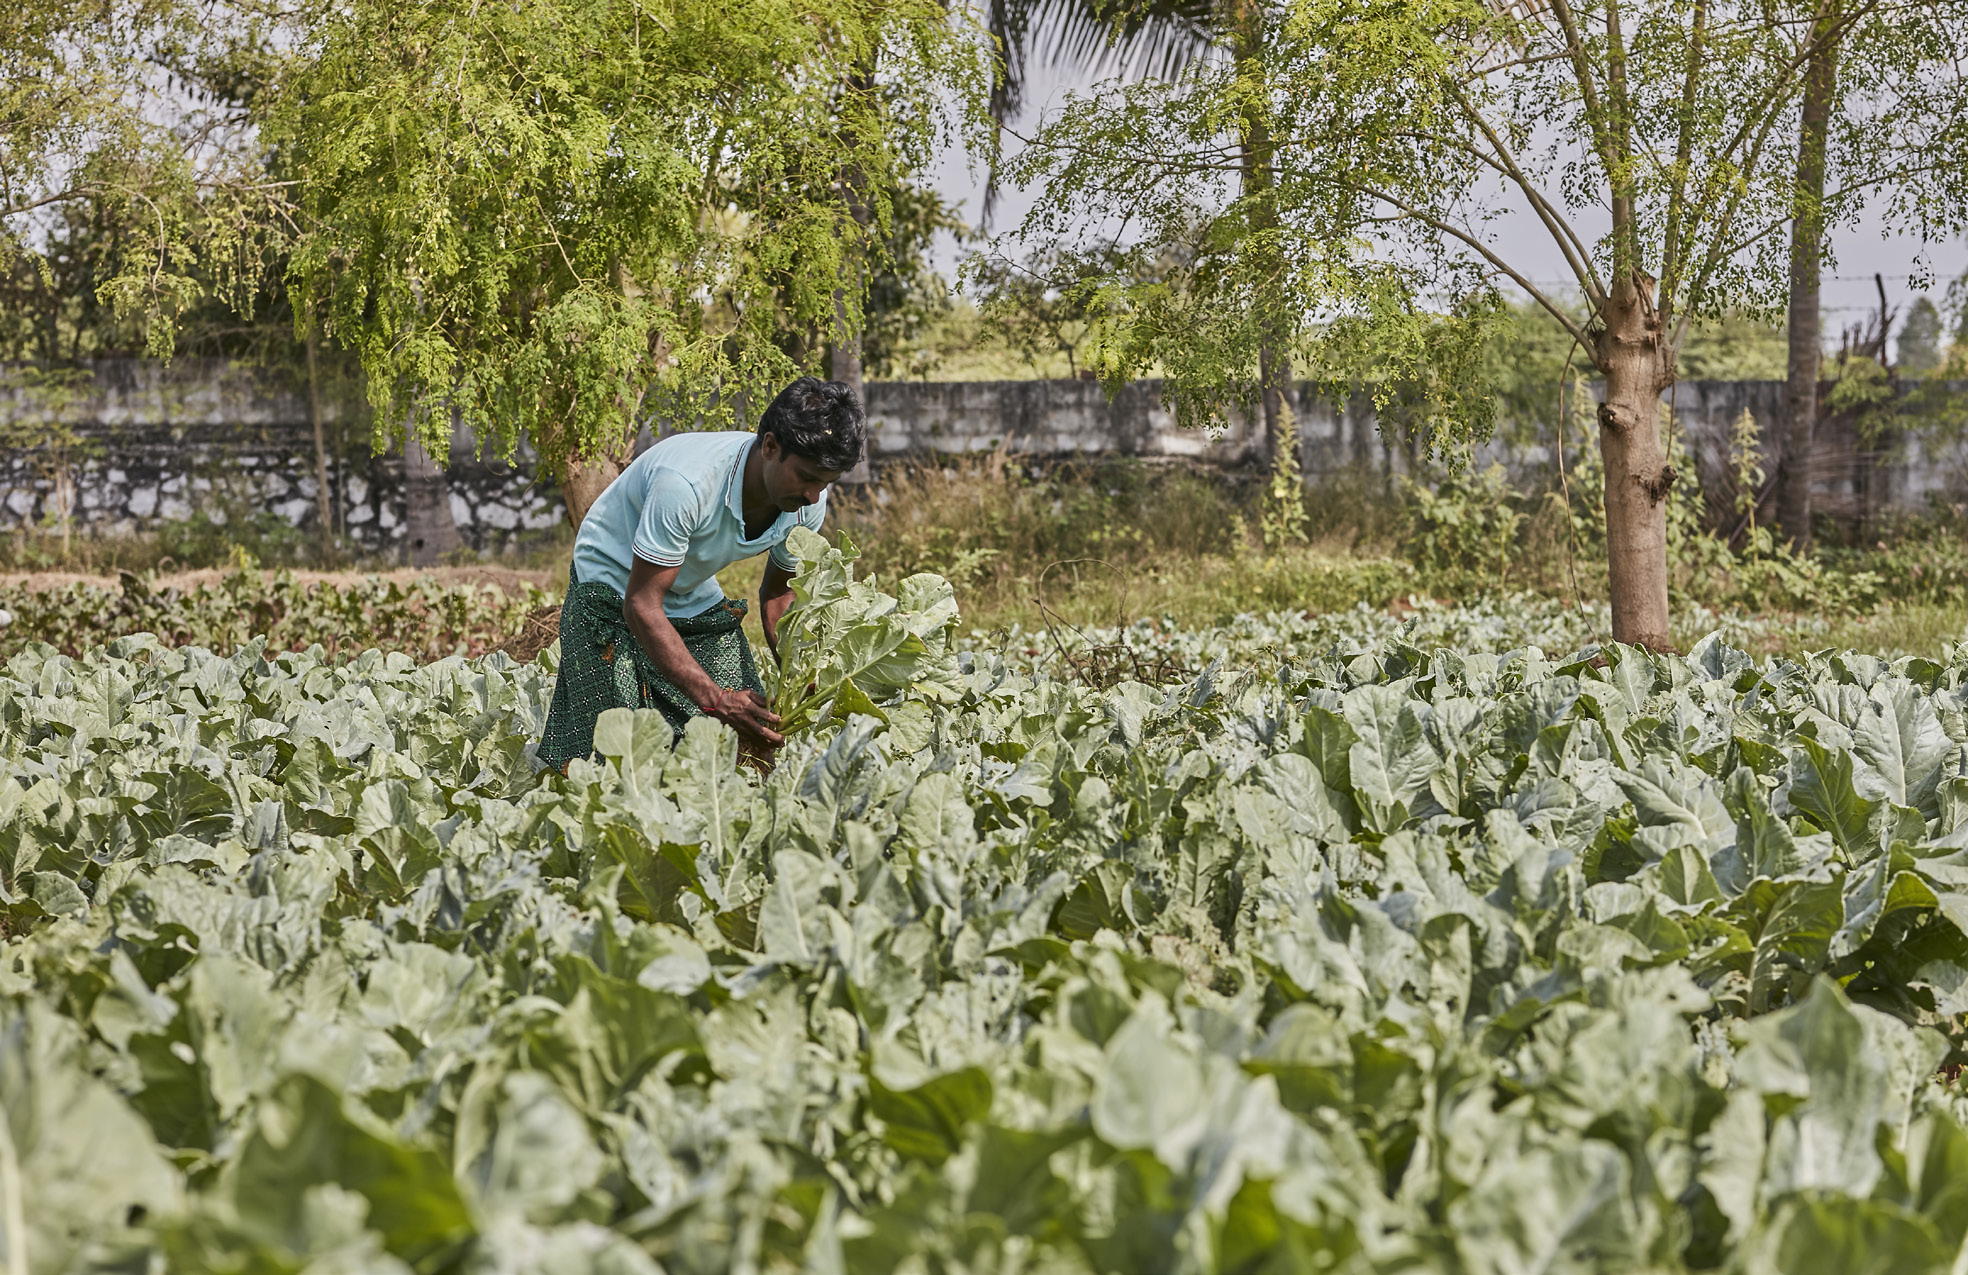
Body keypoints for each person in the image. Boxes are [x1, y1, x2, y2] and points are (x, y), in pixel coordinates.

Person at [536, 377, 865, 769]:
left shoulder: (807, 503)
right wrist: (715, 698)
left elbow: (778, 594)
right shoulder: (686, 485)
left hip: (685, 582)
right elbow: (641, 605)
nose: (813, 496)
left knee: (747, 735)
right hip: (611, 581)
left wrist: (799, 669)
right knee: (613, 748)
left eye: (825, 483)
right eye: (807, 478)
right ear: (771, 446)